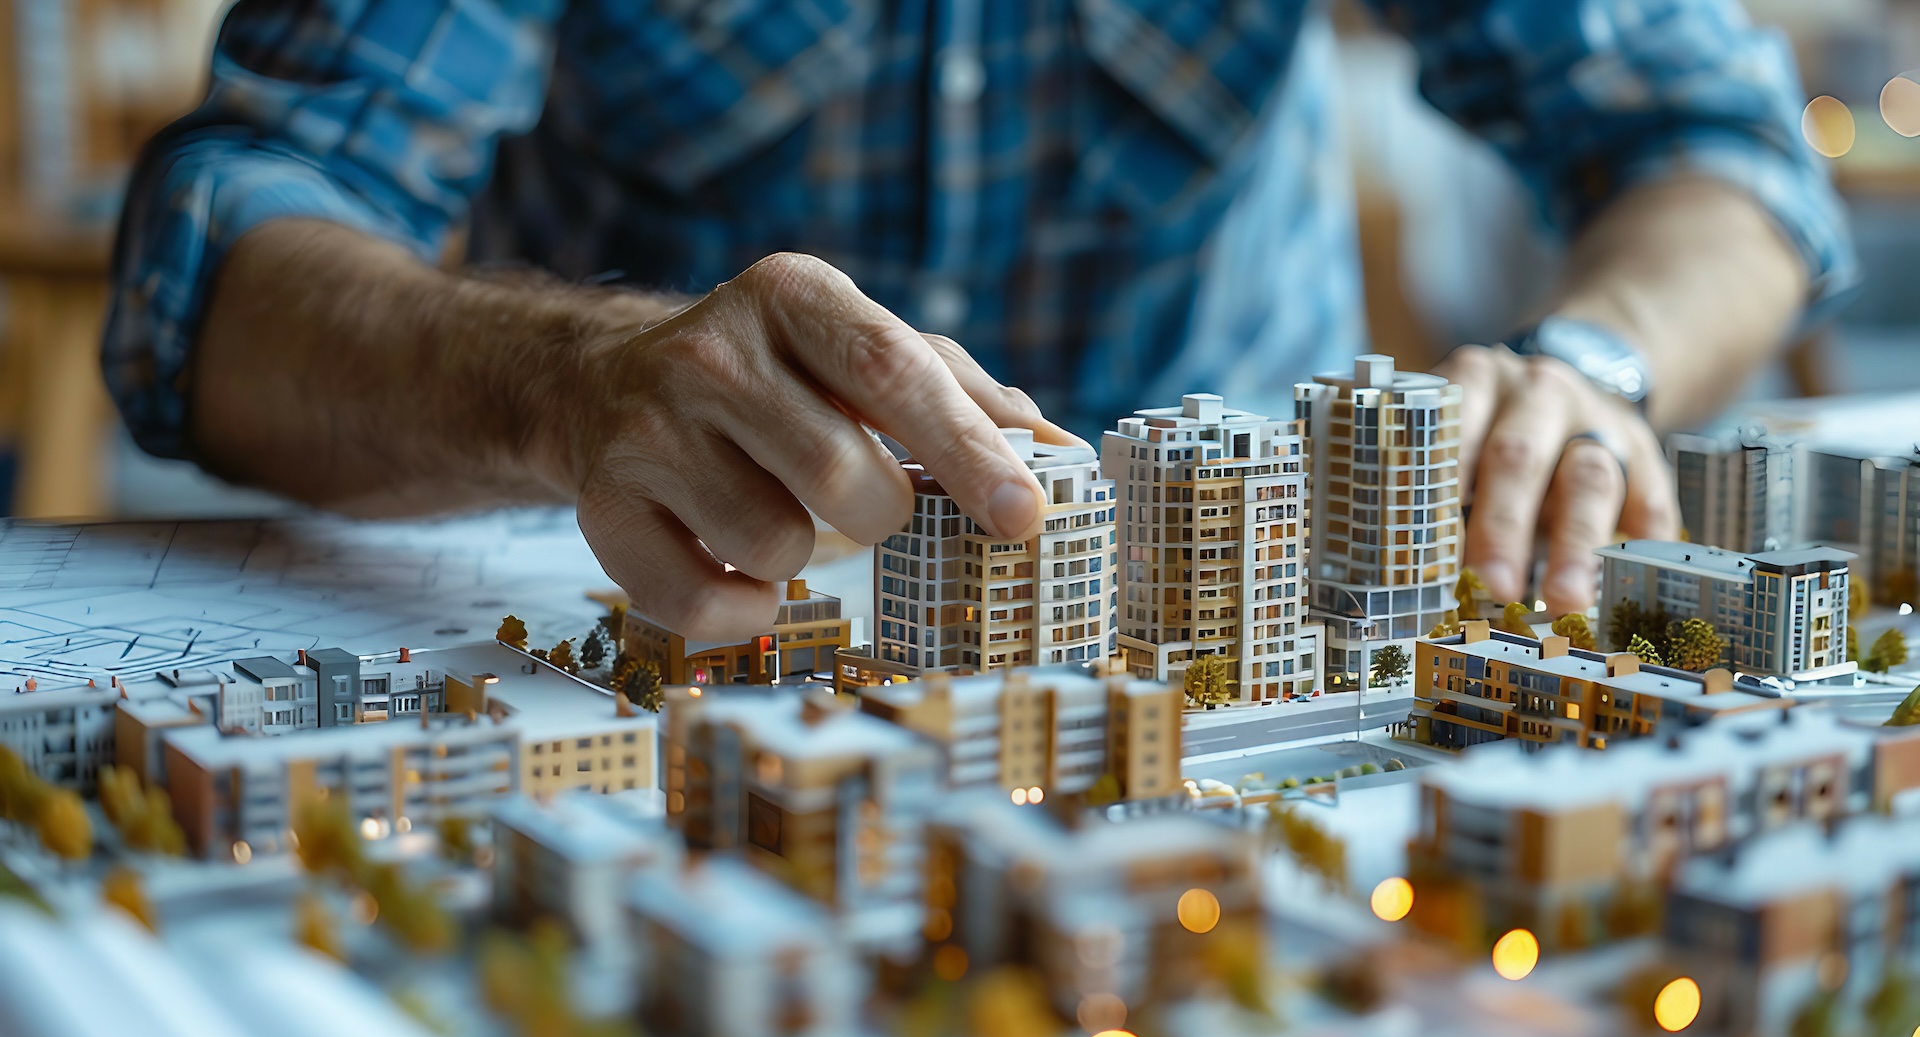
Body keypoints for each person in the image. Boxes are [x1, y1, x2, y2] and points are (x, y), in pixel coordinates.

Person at [105, 0, 1853, 639]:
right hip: (676, 618)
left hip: (1244, 635)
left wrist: (1595, 363)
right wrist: (569, 381)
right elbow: (218, 272)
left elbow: (1720, 151)